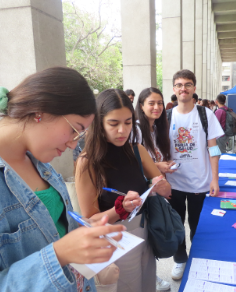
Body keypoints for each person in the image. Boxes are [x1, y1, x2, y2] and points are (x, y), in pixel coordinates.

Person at [0, 67, 126, 291]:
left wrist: (83, 231)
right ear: (40, 111)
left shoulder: (37, 159)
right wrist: (59, 254)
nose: (73, 143)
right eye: (75, 129)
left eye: (80, 136)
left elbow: (53, 229)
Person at [75, 89, 172, 292]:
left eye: (128, 123)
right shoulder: (88, 162)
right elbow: (90, 220)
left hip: (145, 234)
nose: (122, 130)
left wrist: (162, 187)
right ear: (99, 123)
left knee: (146, 286)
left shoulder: (138, 150)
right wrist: (119, 209)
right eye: (113, 124)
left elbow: (165, 188)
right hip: (115, 241)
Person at [166, 69, 224, 280]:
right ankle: (180, 259)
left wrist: (215, 178)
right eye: (179, 85)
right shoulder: (167, 116)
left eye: (188, 84)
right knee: (176, 224)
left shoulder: (205, 114)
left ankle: (198, 258)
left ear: (194, 88)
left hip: (200, 182)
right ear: (174, 89)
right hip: (173, 183)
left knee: (198, 225)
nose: (184, 88)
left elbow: (213, 148)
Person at [134, 87, 174, 291]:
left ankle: (151, 276)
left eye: (160, 102)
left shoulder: (156, 128)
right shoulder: (137, 129)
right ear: (141, 106)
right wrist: (157, 166)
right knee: (145, 236)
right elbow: (133, 162)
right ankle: (149, 278)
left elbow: (153, 158)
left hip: (155, 189)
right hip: (144, 192)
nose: (157, 107)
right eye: (151, 103)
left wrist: (163, 164)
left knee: (152, 234)